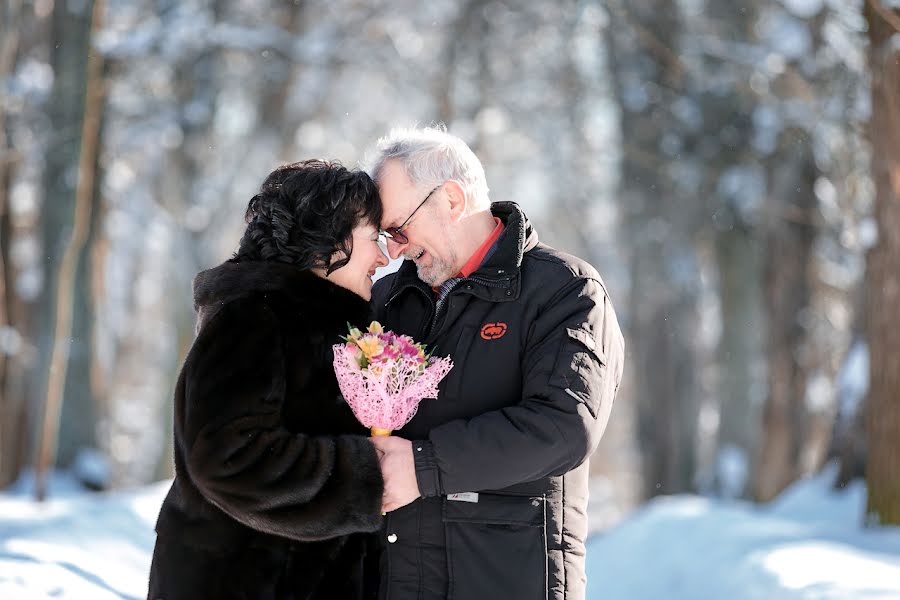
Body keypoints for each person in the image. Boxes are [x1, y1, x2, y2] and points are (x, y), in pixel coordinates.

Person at [365, 126, 625, 600]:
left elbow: (563, 426)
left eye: (400, 228)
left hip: (506, 576)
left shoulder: (564, 291)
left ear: (451, 200)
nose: (394, 250)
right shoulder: (388, 299)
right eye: (386, 235)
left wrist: (423, 467)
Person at [148, 160, 390, 600]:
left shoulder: (321, 323)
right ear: (328, 242)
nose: (384, 256)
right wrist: (366, 476)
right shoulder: (253, 316)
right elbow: (229, 459)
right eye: (374, 238)